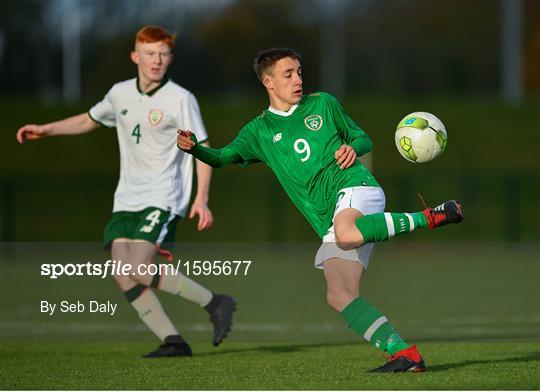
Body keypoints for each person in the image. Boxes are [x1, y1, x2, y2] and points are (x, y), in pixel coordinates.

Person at [177, 47, 464, 372]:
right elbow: (222, 157)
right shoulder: (258, 132)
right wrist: (195, 149)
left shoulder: (323, 104)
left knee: (346, 233)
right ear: (268, 82)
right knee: (339, 294)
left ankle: (430, 217)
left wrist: (350, 146)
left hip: (357, 188)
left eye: (299, 71)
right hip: (331, 217)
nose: (298, 79)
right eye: (289, 74)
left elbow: (363, 139)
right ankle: (405, 354)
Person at [16, 25, 236, 358]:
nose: (156, 60)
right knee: (122, 274)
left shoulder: (180, 99)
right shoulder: (119, 93)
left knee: (138, 268)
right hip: (126, 198)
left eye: (163, 54)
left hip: (163, 196)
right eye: (150, 53)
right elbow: (88, 120)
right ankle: (173, 341)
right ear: (136, 56)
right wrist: (45, 129)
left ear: (170, 59)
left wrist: (201, 198)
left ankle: (215, 303)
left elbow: (202, 148)